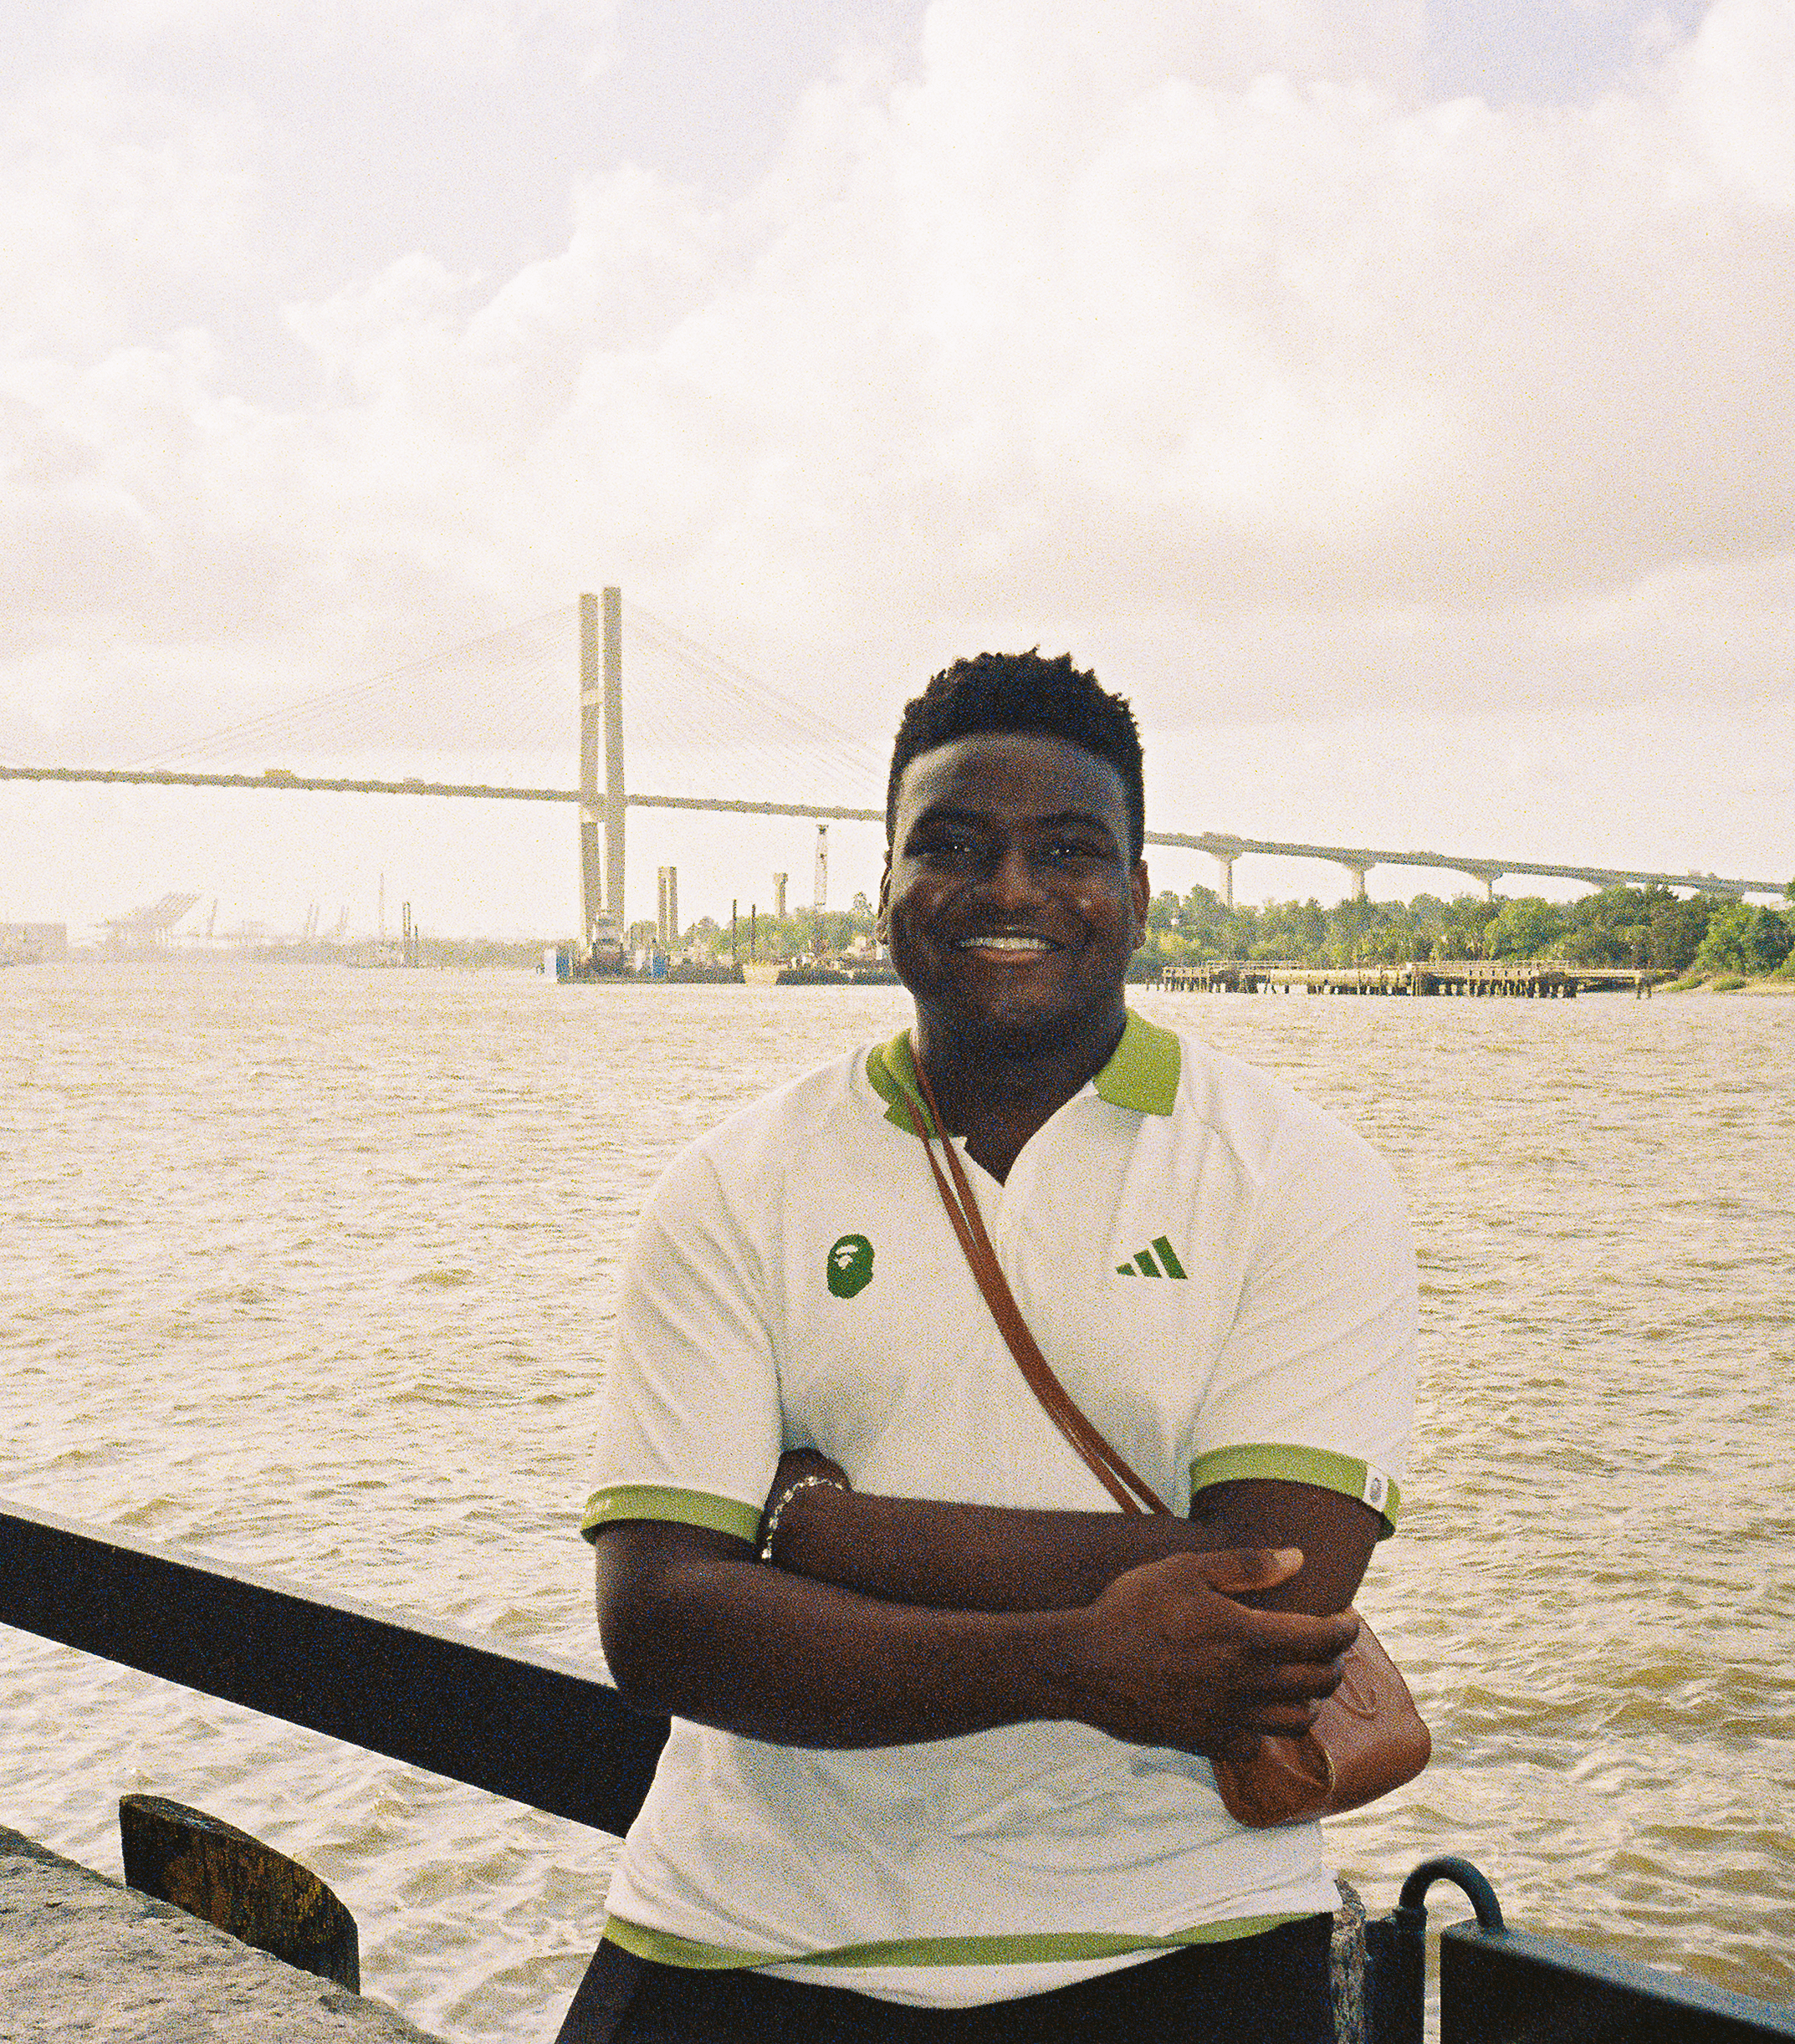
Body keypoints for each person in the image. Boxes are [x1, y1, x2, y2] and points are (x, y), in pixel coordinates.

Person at [565, 652, 1419, 2042]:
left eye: (1069, 851)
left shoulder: (1302, 1177)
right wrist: (1078, 1660)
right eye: (952, 846)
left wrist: (822, 1530)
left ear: (1142, 896)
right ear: (883, 890)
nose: (1011, 890)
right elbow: (661, 1625)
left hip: (1185, 1938)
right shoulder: (733, 1183)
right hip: (745, 1938)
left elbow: (1277, 1600)